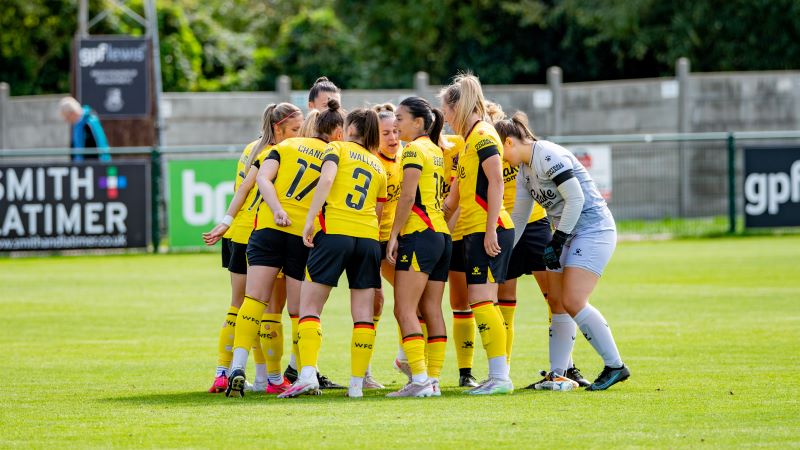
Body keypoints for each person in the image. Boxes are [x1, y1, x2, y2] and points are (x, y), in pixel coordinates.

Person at [495, 111, 631, 391]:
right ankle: (558, 374)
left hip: (593, 230)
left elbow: (576, 198)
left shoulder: (546, 155)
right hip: (565, 234)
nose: (500, 160)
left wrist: (557, 241)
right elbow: (519, 218)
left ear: (509, 143)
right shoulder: (523, 170)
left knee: (572, 299)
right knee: (557, 302)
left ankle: (615, 365)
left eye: (499, 152)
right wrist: (504, 251)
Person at [279, 107, 387, 399]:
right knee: (363, 314)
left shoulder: (337, 149)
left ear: (348, 128)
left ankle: (306, 375)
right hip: (367, 238)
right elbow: (378, 210)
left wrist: (311, 220)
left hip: (336, 233)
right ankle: (355, 386)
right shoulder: (378, 166)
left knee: (310, 307)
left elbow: (325, 182)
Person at [202, 103, 302, 394]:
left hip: (238, 233)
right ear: (278, 127)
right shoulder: (281, 153)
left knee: (240, 305)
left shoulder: (251, 149)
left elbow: (242, 189)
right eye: (295, 129)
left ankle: (224, 372)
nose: (299, 134)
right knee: (270, 308)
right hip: (264, 233)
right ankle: (270, 378)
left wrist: (225, 222)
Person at [439, 74, 514, 395]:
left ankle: (500, 377)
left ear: (459, 107)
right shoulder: (468, 141)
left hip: (488, 228)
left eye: (446, 111)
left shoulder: (483, 135)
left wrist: (490, 228)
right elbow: (453, 198)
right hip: (471, 230)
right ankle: (496, 375)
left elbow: (496, 182)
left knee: (482, 300)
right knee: (479, 301)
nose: (444, 118)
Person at [385, 96, 451, 398]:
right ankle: (432, 380)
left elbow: (408, 197)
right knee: (431, 308)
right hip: (441, 236)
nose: (395, 124)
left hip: (419, 233)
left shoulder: (412, 150)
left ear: (418, 122)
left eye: (400, 118)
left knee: (405, 309)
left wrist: (394, 234)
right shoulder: (436, 150)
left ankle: (420, 380)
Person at [59, 96, 110, 162]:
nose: (67, 120)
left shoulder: (90, 122)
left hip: (92, 166)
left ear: (71, 113)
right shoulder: (78, 125)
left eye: (67, 117)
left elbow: (100, 146)